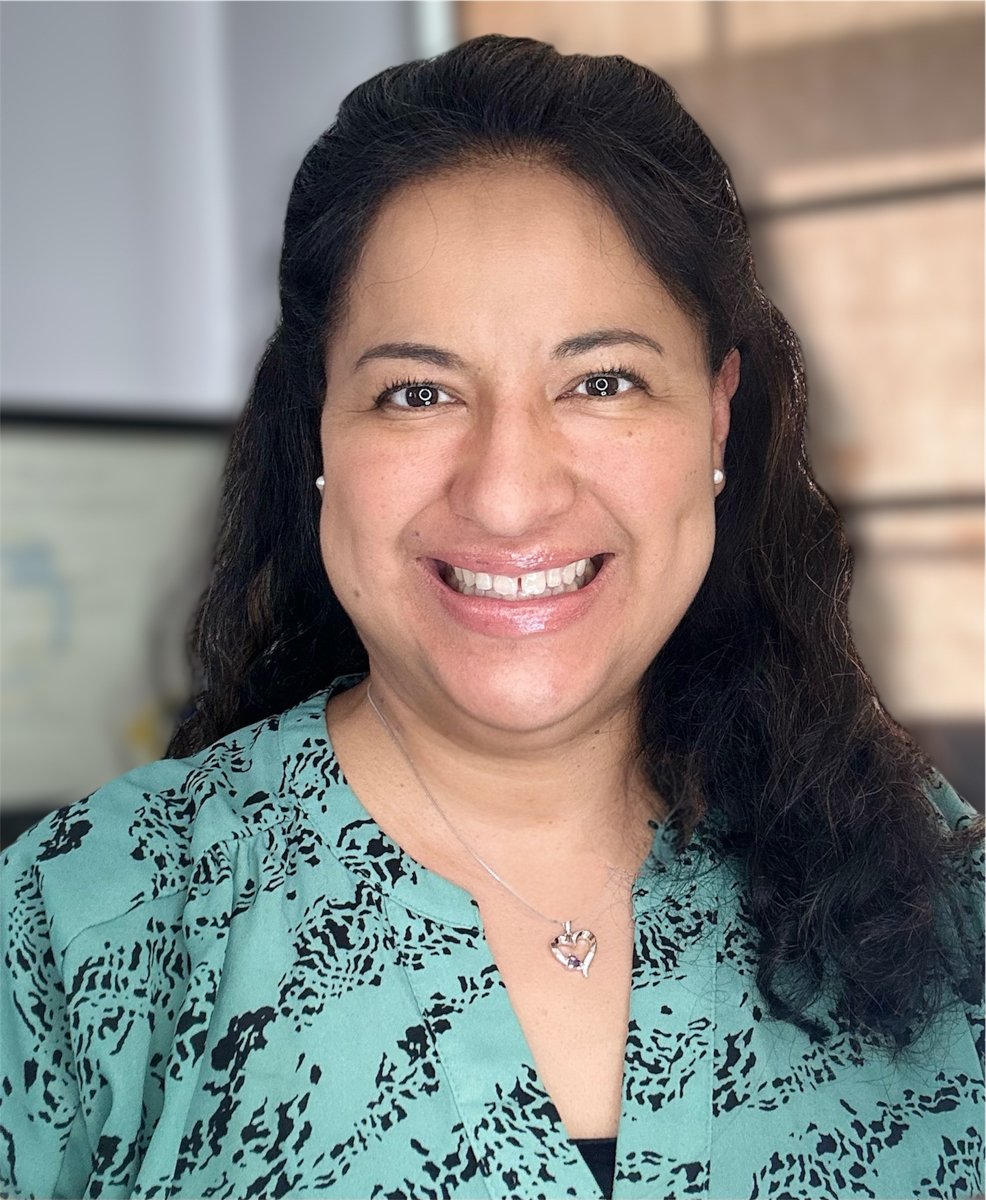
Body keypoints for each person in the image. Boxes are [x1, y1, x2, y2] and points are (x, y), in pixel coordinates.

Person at [1, 32, 982, 1200]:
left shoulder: (924, 875)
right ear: (318, 426)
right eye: (417, 393)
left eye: (601, 381)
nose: (507, 493)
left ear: (716, 418)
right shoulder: (83, 927)